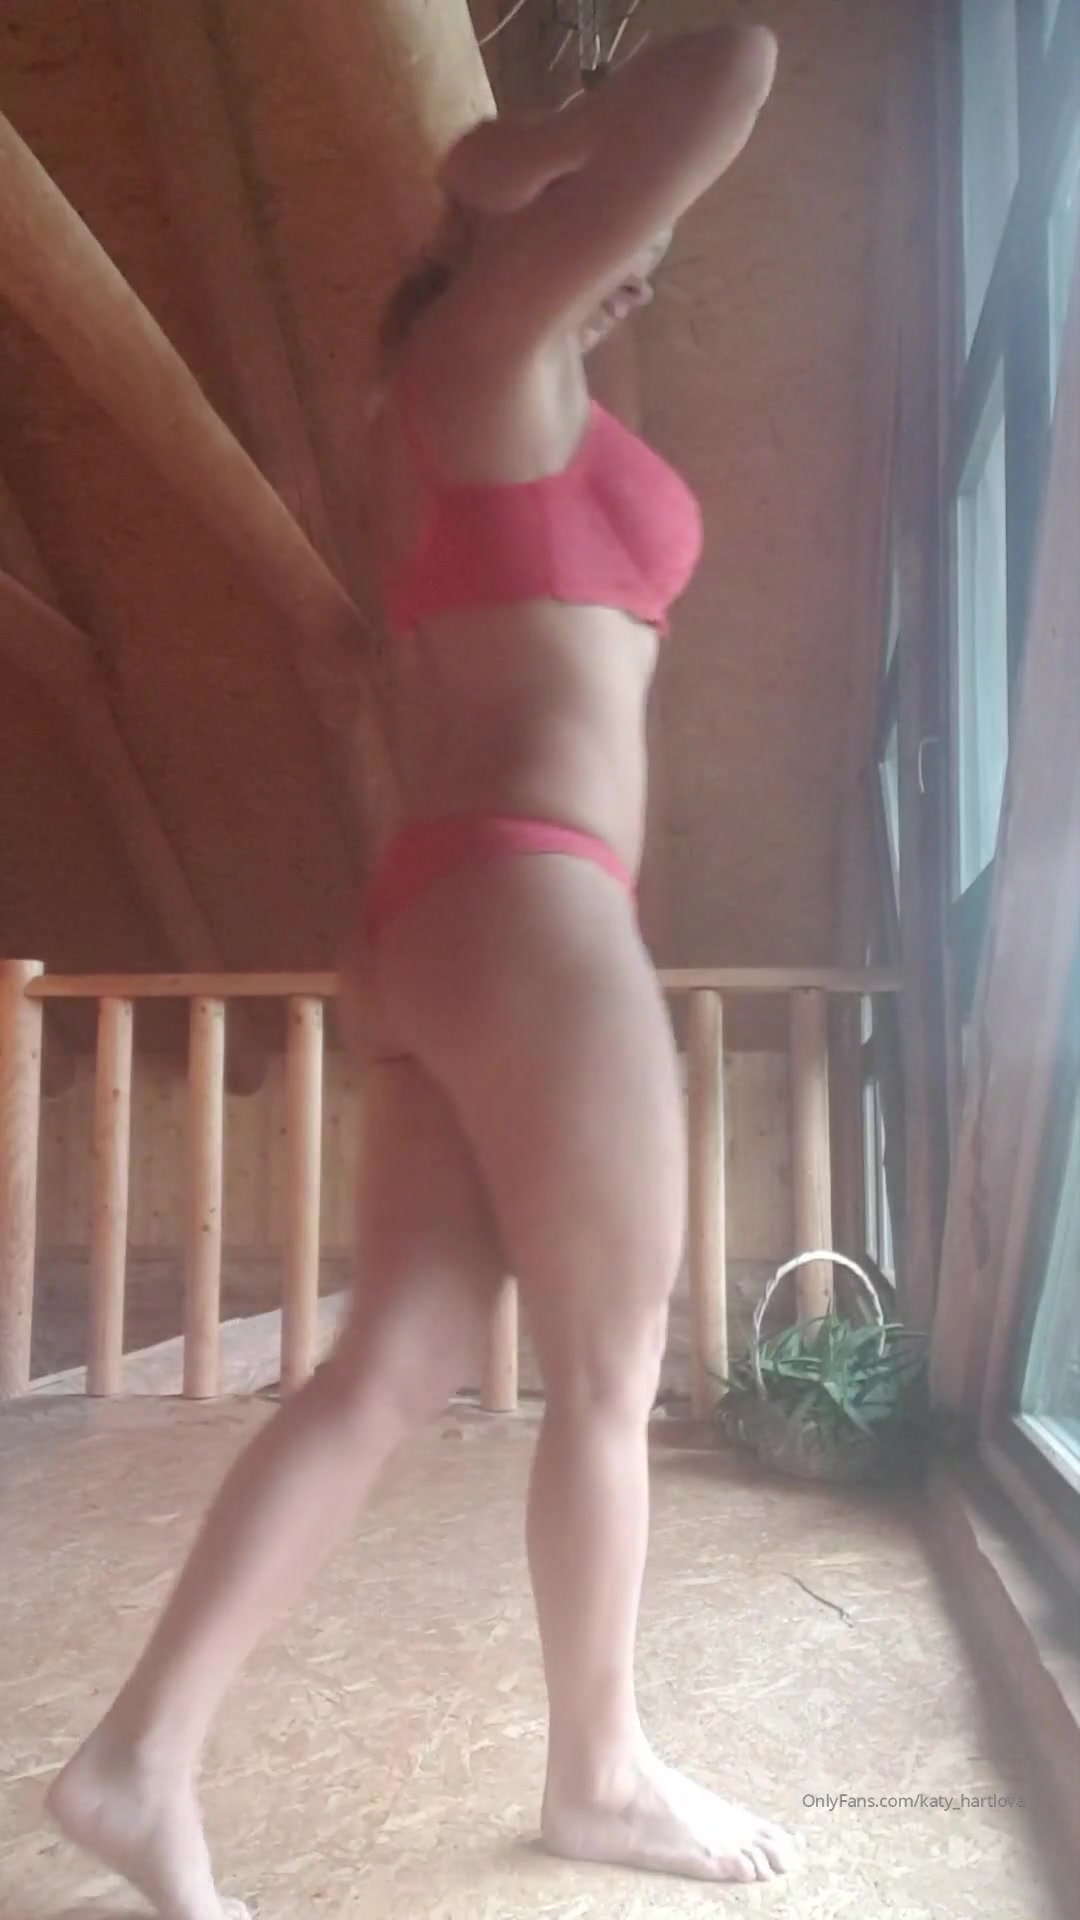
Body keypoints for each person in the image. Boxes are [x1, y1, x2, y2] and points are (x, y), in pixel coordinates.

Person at [48, 22, 797, 1916]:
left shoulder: (506, 394)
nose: (639, 260)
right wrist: (518, 160)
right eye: (614, 229)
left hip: (448, 917)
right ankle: (600, 1774)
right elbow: (734, 60)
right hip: (535, 907)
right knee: (611, 1378)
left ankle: (139, 1761)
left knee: (395, 1361)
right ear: (518, 226)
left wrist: (547, 190)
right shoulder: (485, 363)